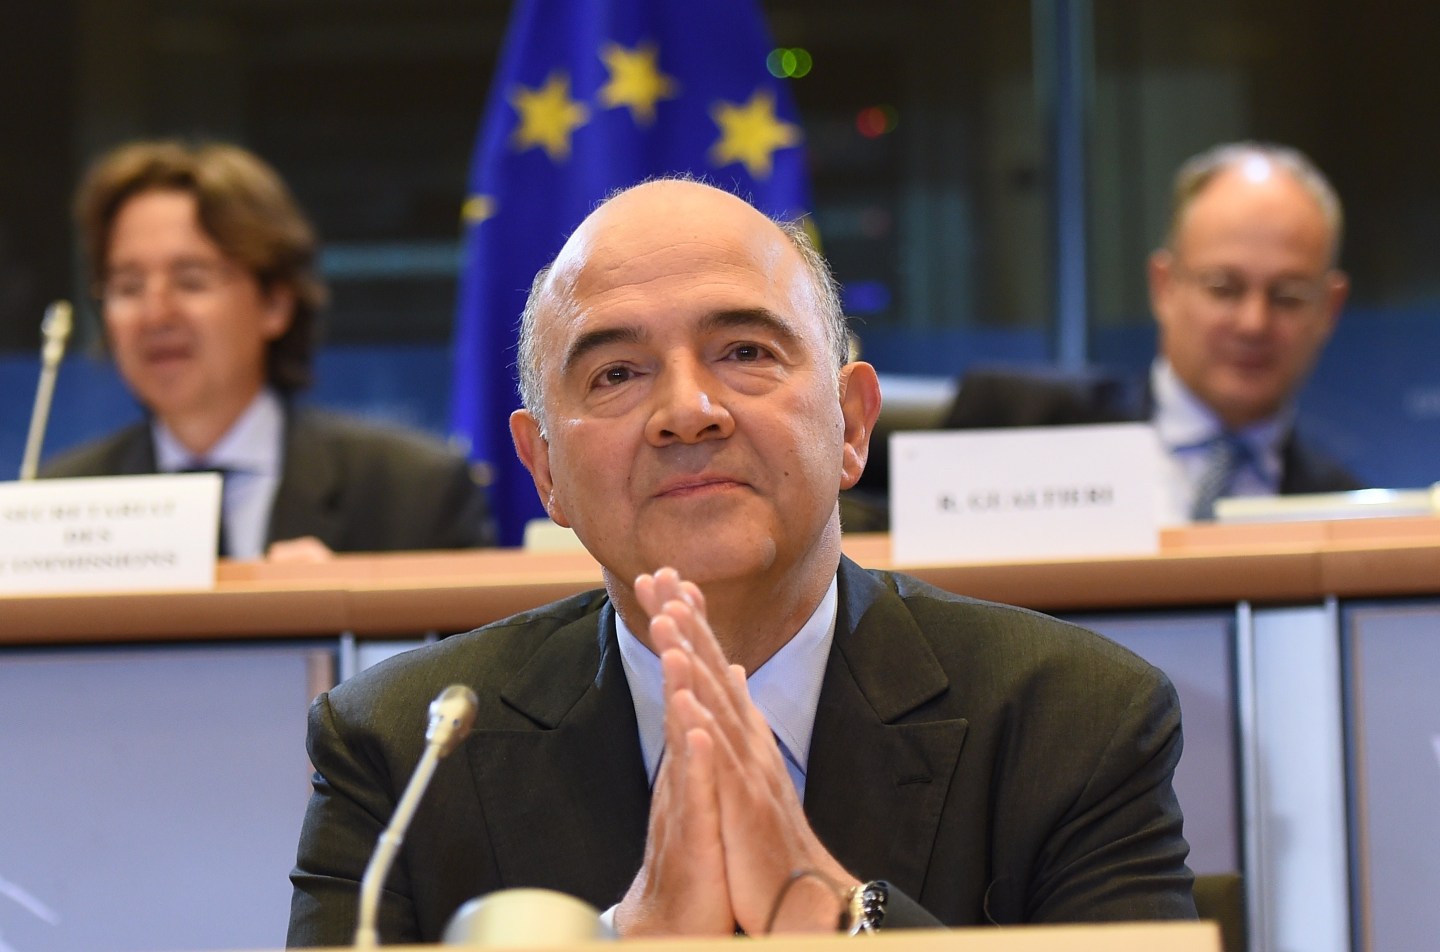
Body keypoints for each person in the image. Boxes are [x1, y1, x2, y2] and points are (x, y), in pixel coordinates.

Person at [286, 179, 1195, 944]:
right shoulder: (403, 753)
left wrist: (831, 914)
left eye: (746, 352)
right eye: (616, 373)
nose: (688, 411)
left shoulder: (1074, 722)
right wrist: (620, 942)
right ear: (544, 469)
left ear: (853, 424)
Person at [41, 140, 494, 557]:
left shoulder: (414, 492)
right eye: (128, 287)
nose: (155, 314)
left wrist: (346, 604)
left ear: (275, 303)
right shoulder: (57, 507)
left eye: (191, 280)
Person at [943, 141, 1363, 523]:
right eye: (1223, 288)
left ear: (1330, 308)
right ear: (1164, 286)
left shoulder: (1351, 520)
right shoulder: (1018, 425)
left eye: (1288, 296)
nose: (1253, 323)